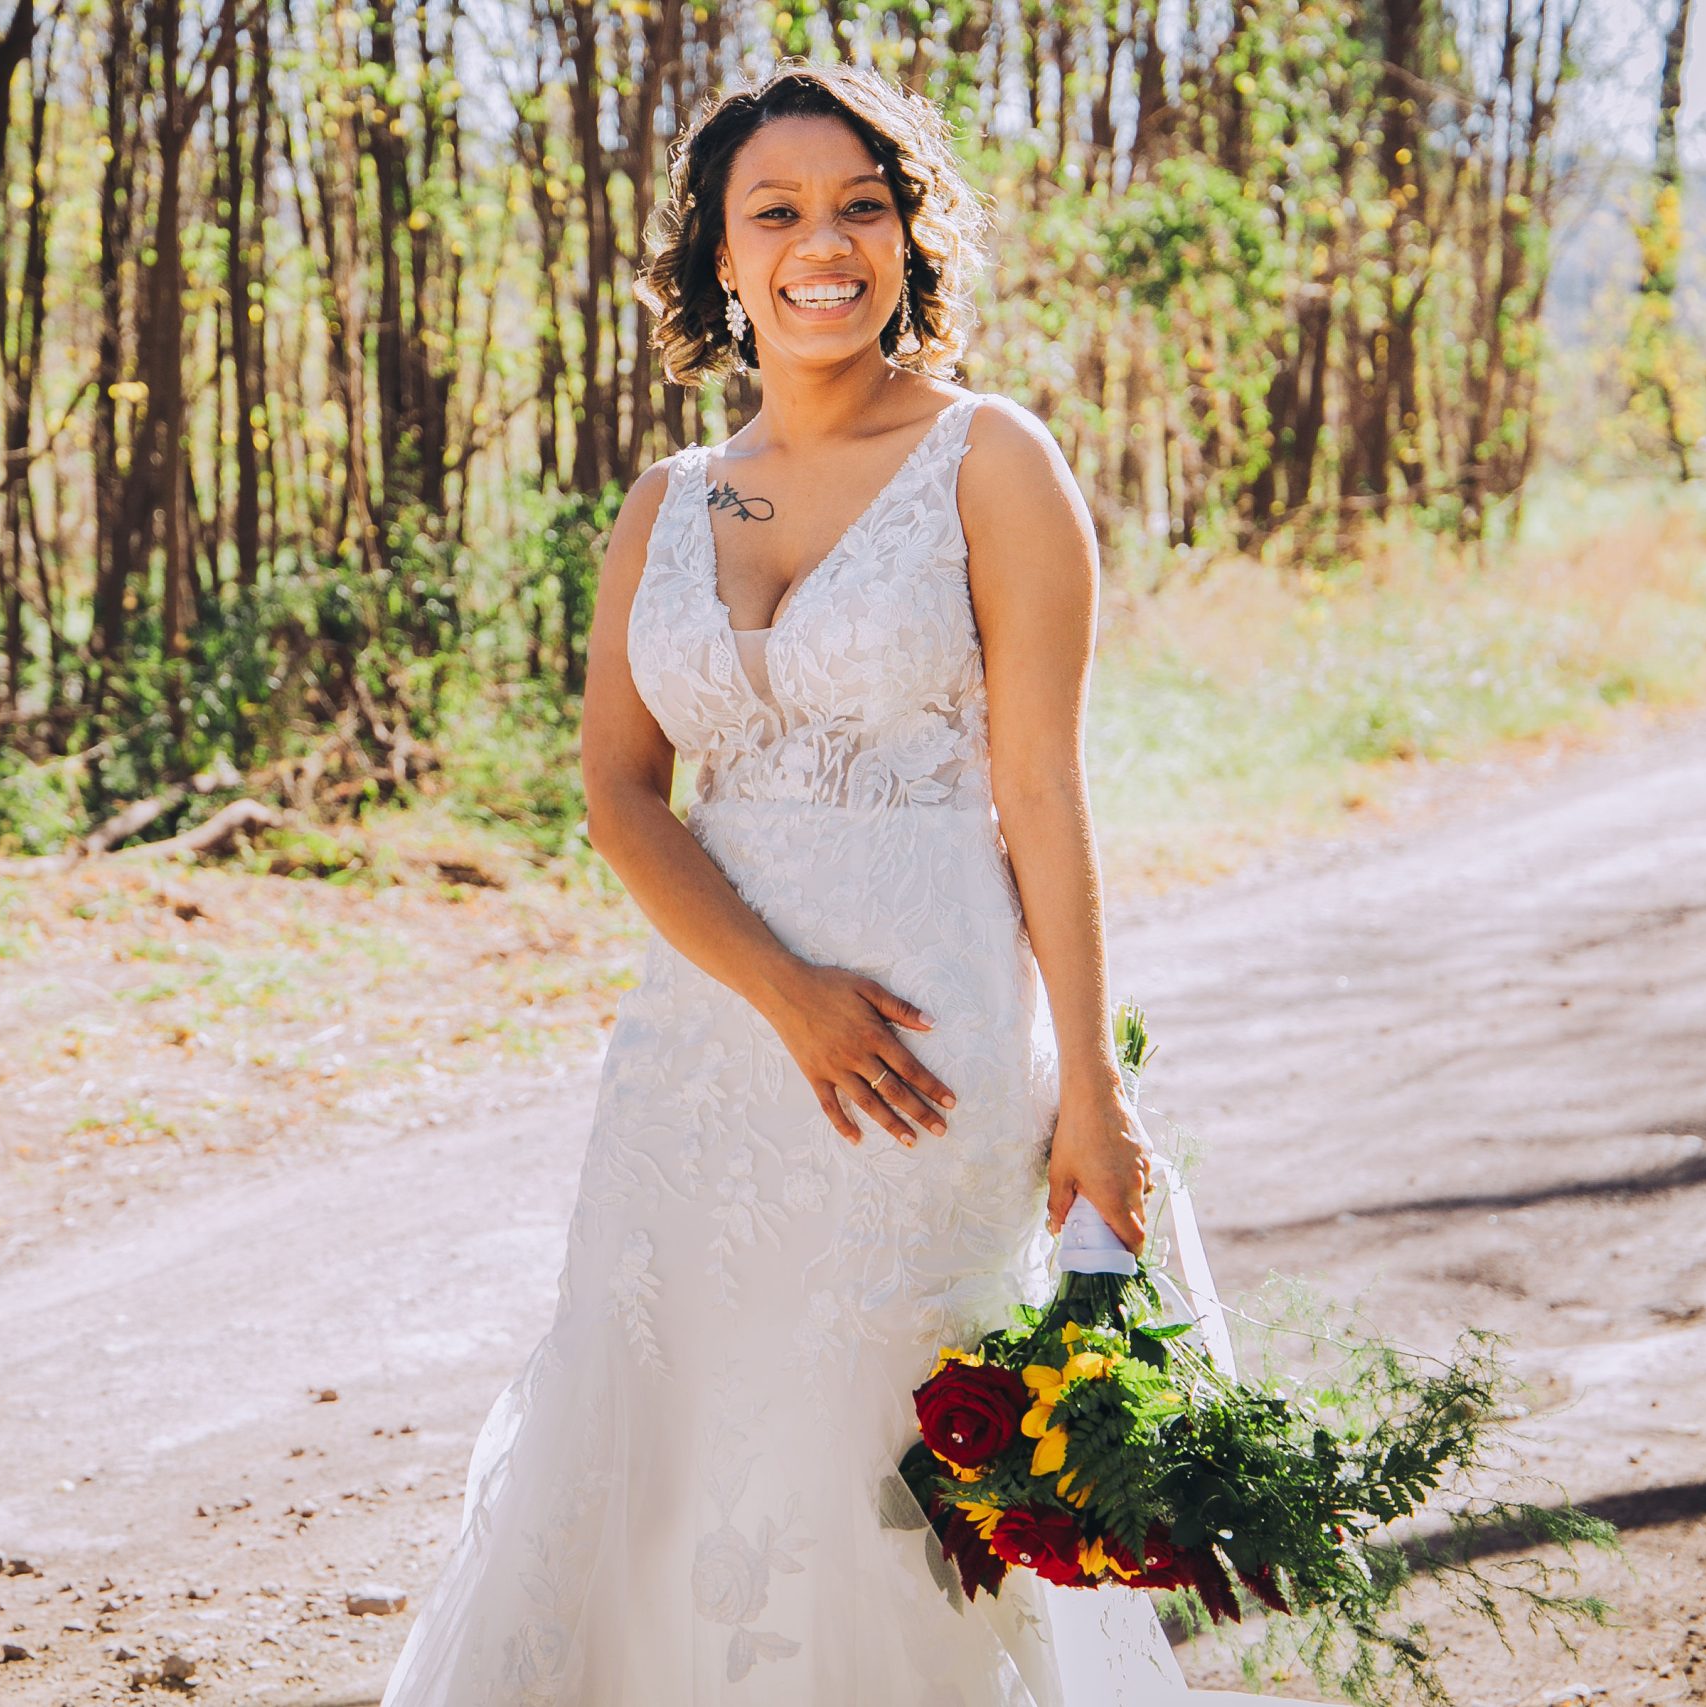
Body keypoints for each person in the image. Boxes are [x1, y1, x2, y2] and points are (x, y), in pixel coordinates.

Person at [382, 58, 1256, 1706]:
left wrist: (1093, 1098)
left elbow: (1044, 793)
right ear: (720, 254)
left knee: (883, 1459)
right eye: (774, 211)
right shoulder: (668, 503)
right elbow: (625, 793)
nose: (822, 245)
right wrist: (781, 993)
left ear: (913, 238)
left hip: (931, 1056)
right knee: (671, 1418)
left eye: (863, 205)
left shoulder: (995, 461)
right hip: (708, 1057)